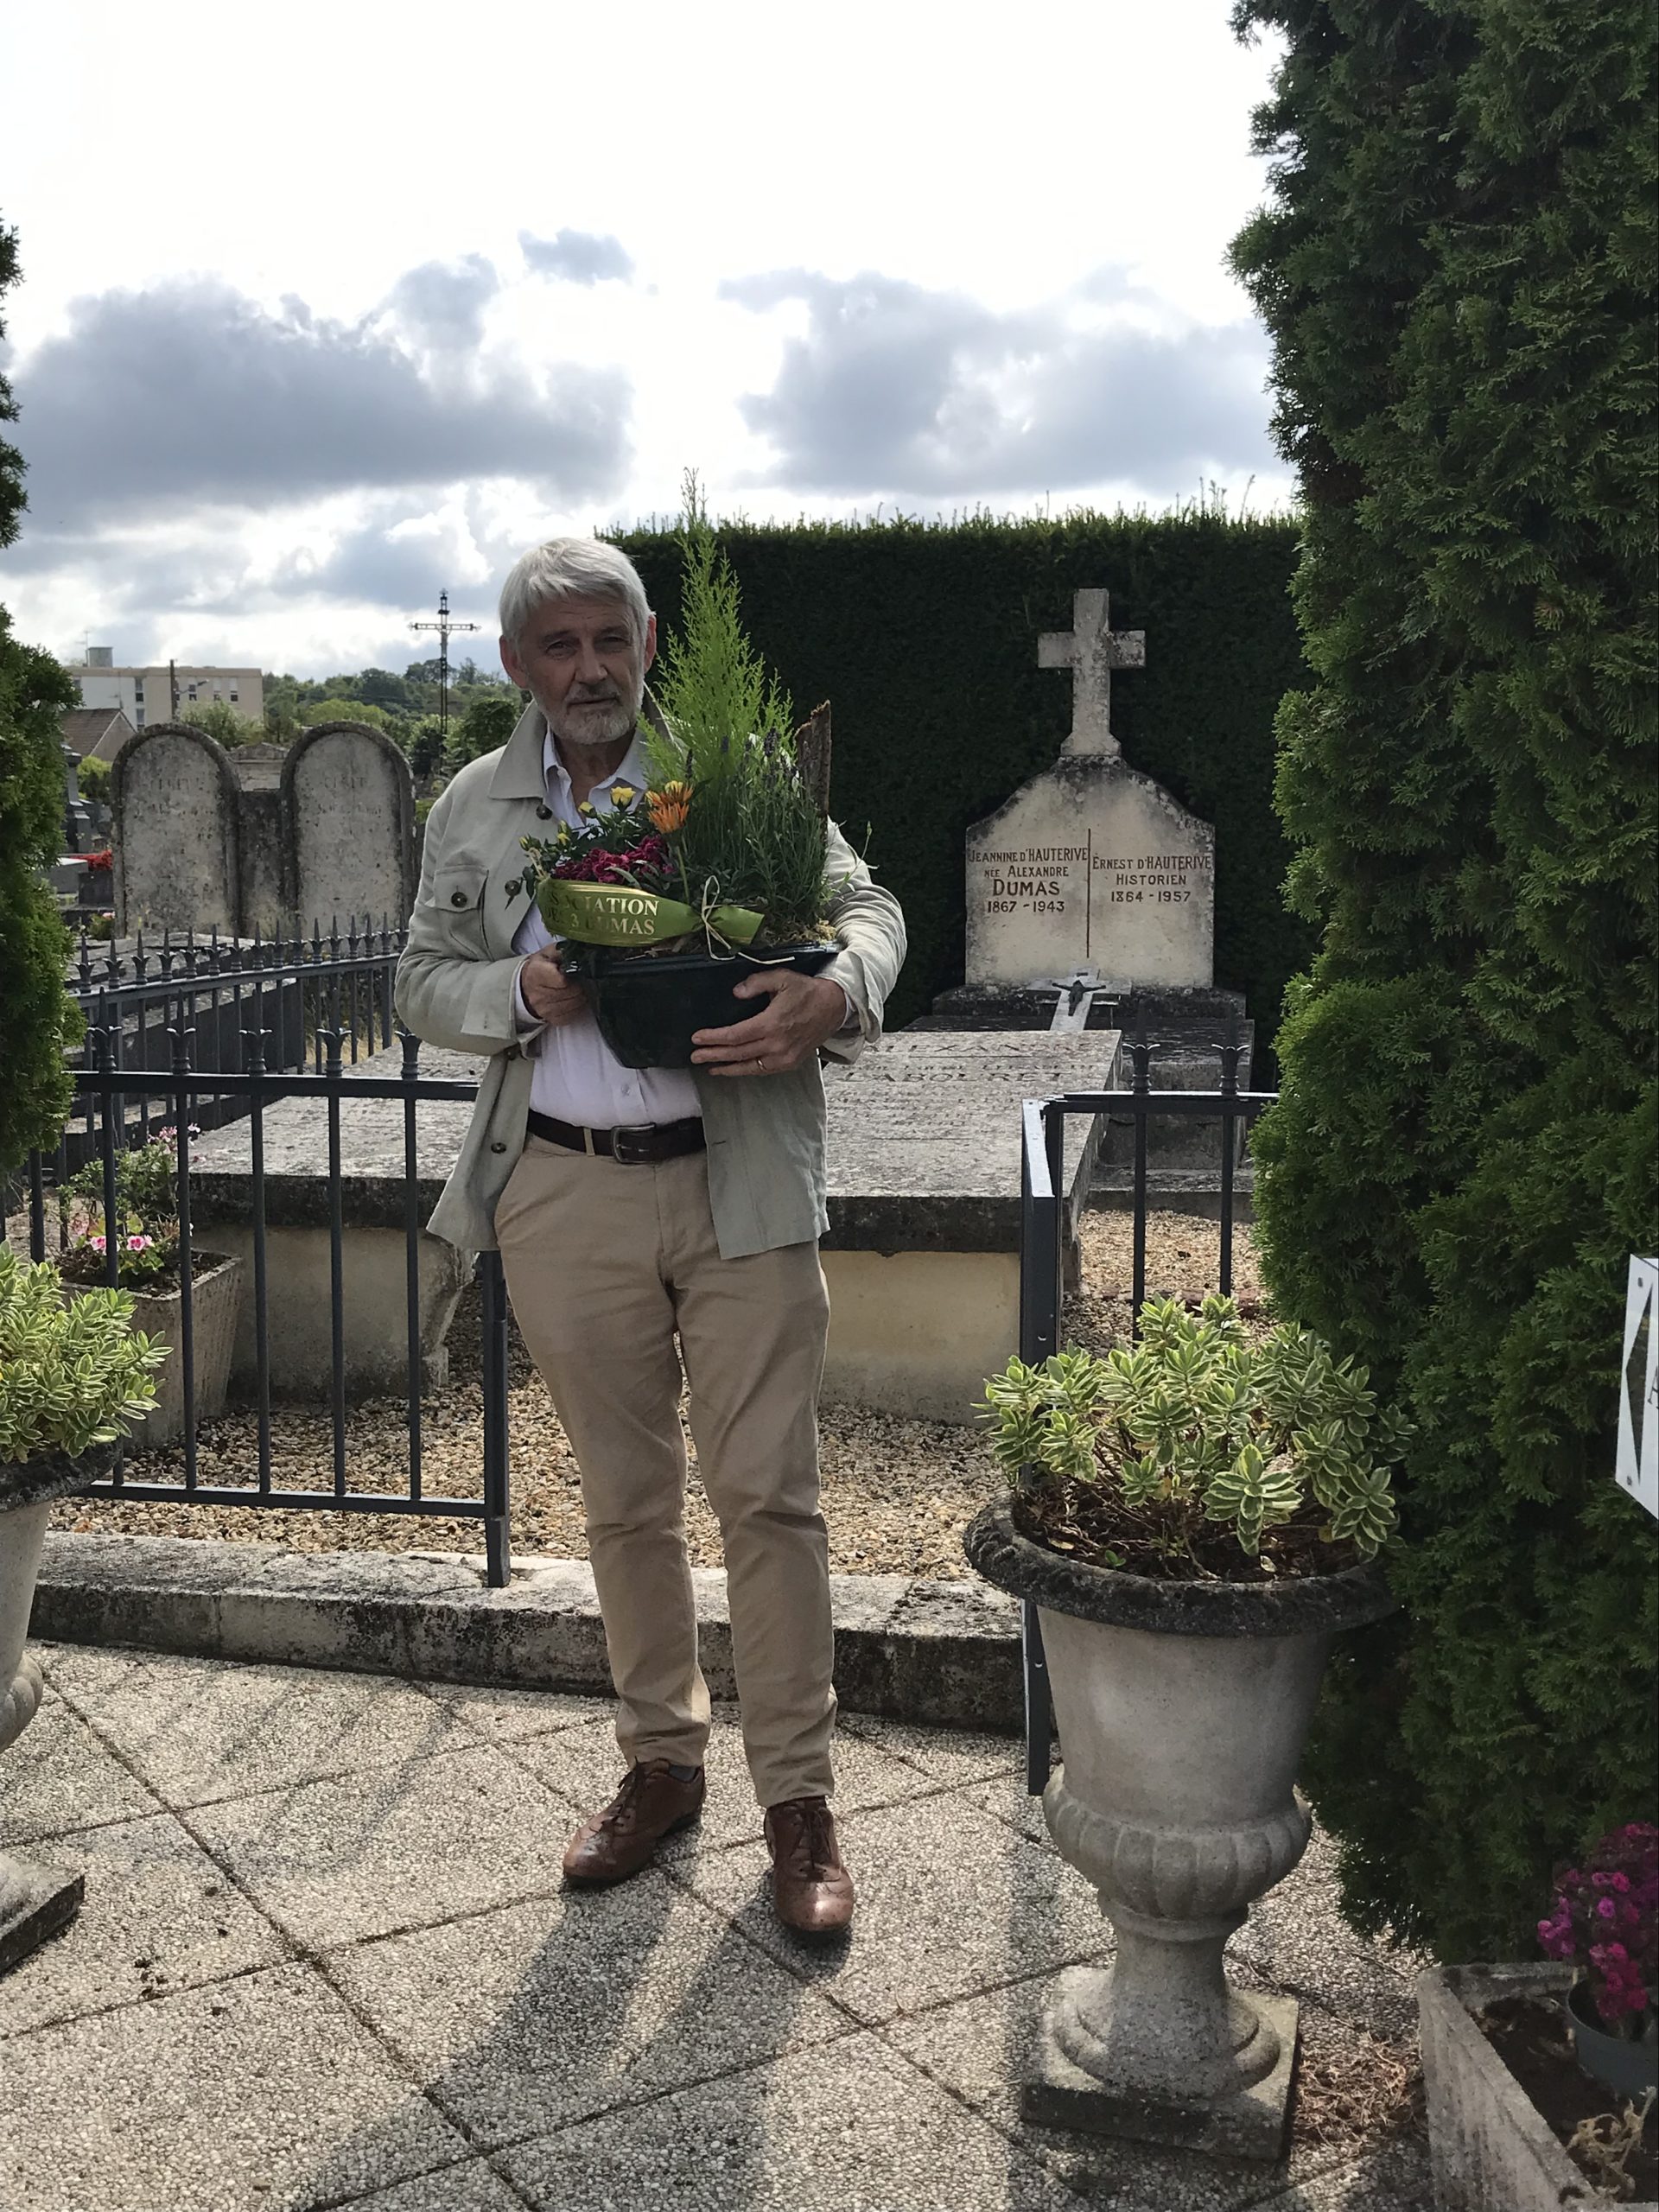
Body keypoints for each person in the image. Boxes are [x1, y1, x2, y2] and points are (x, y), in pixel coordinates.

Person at [395, 538, 906, 1935]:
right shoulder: (476, 807)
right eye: (558, 647)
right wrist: (519, 987)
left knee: (770, 1499)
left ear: (649, 643)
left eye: (608, 640)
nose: (588, 670)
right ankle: (662, 1765)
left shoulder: (734, 773)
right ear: (518, 664)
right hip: (562, 1192)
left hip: (740, 1185)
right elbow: (419, 980)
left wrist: (836, 994)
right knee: (625, 1502)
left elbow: (869, 907)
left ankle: (798, 1805)